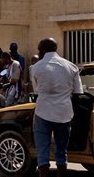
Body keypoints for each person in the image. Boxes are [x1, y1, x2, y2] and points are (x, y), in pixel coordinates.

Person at [30, 38, 83, 177]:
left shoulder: (35, 67)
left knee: (43, 150)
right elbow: (77, 94)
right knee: (61, 150)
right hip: (64, 113)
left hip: (42, 113)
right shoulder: (71, 66)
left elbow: (37, 92)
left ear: (42, 50)